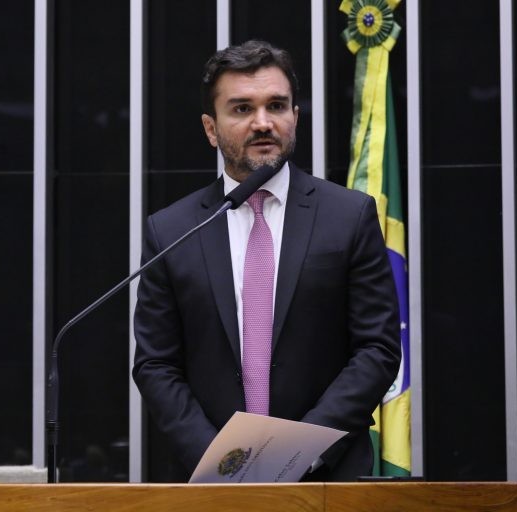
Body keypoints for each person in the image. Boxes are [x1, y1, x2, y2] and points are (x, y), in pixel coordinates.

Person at [132, 40, 400, 482]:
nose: (263, 123)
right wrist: (221, 462)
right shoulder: (172, 230)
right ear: (210, 128)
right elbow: (155, 363)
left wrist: (297, 451)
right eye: (241, 109)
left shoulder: (348, 216)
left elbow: (377, 348)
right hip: (210, 485)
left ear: (295, 116)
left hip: (328, 476)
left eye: (276, 105)